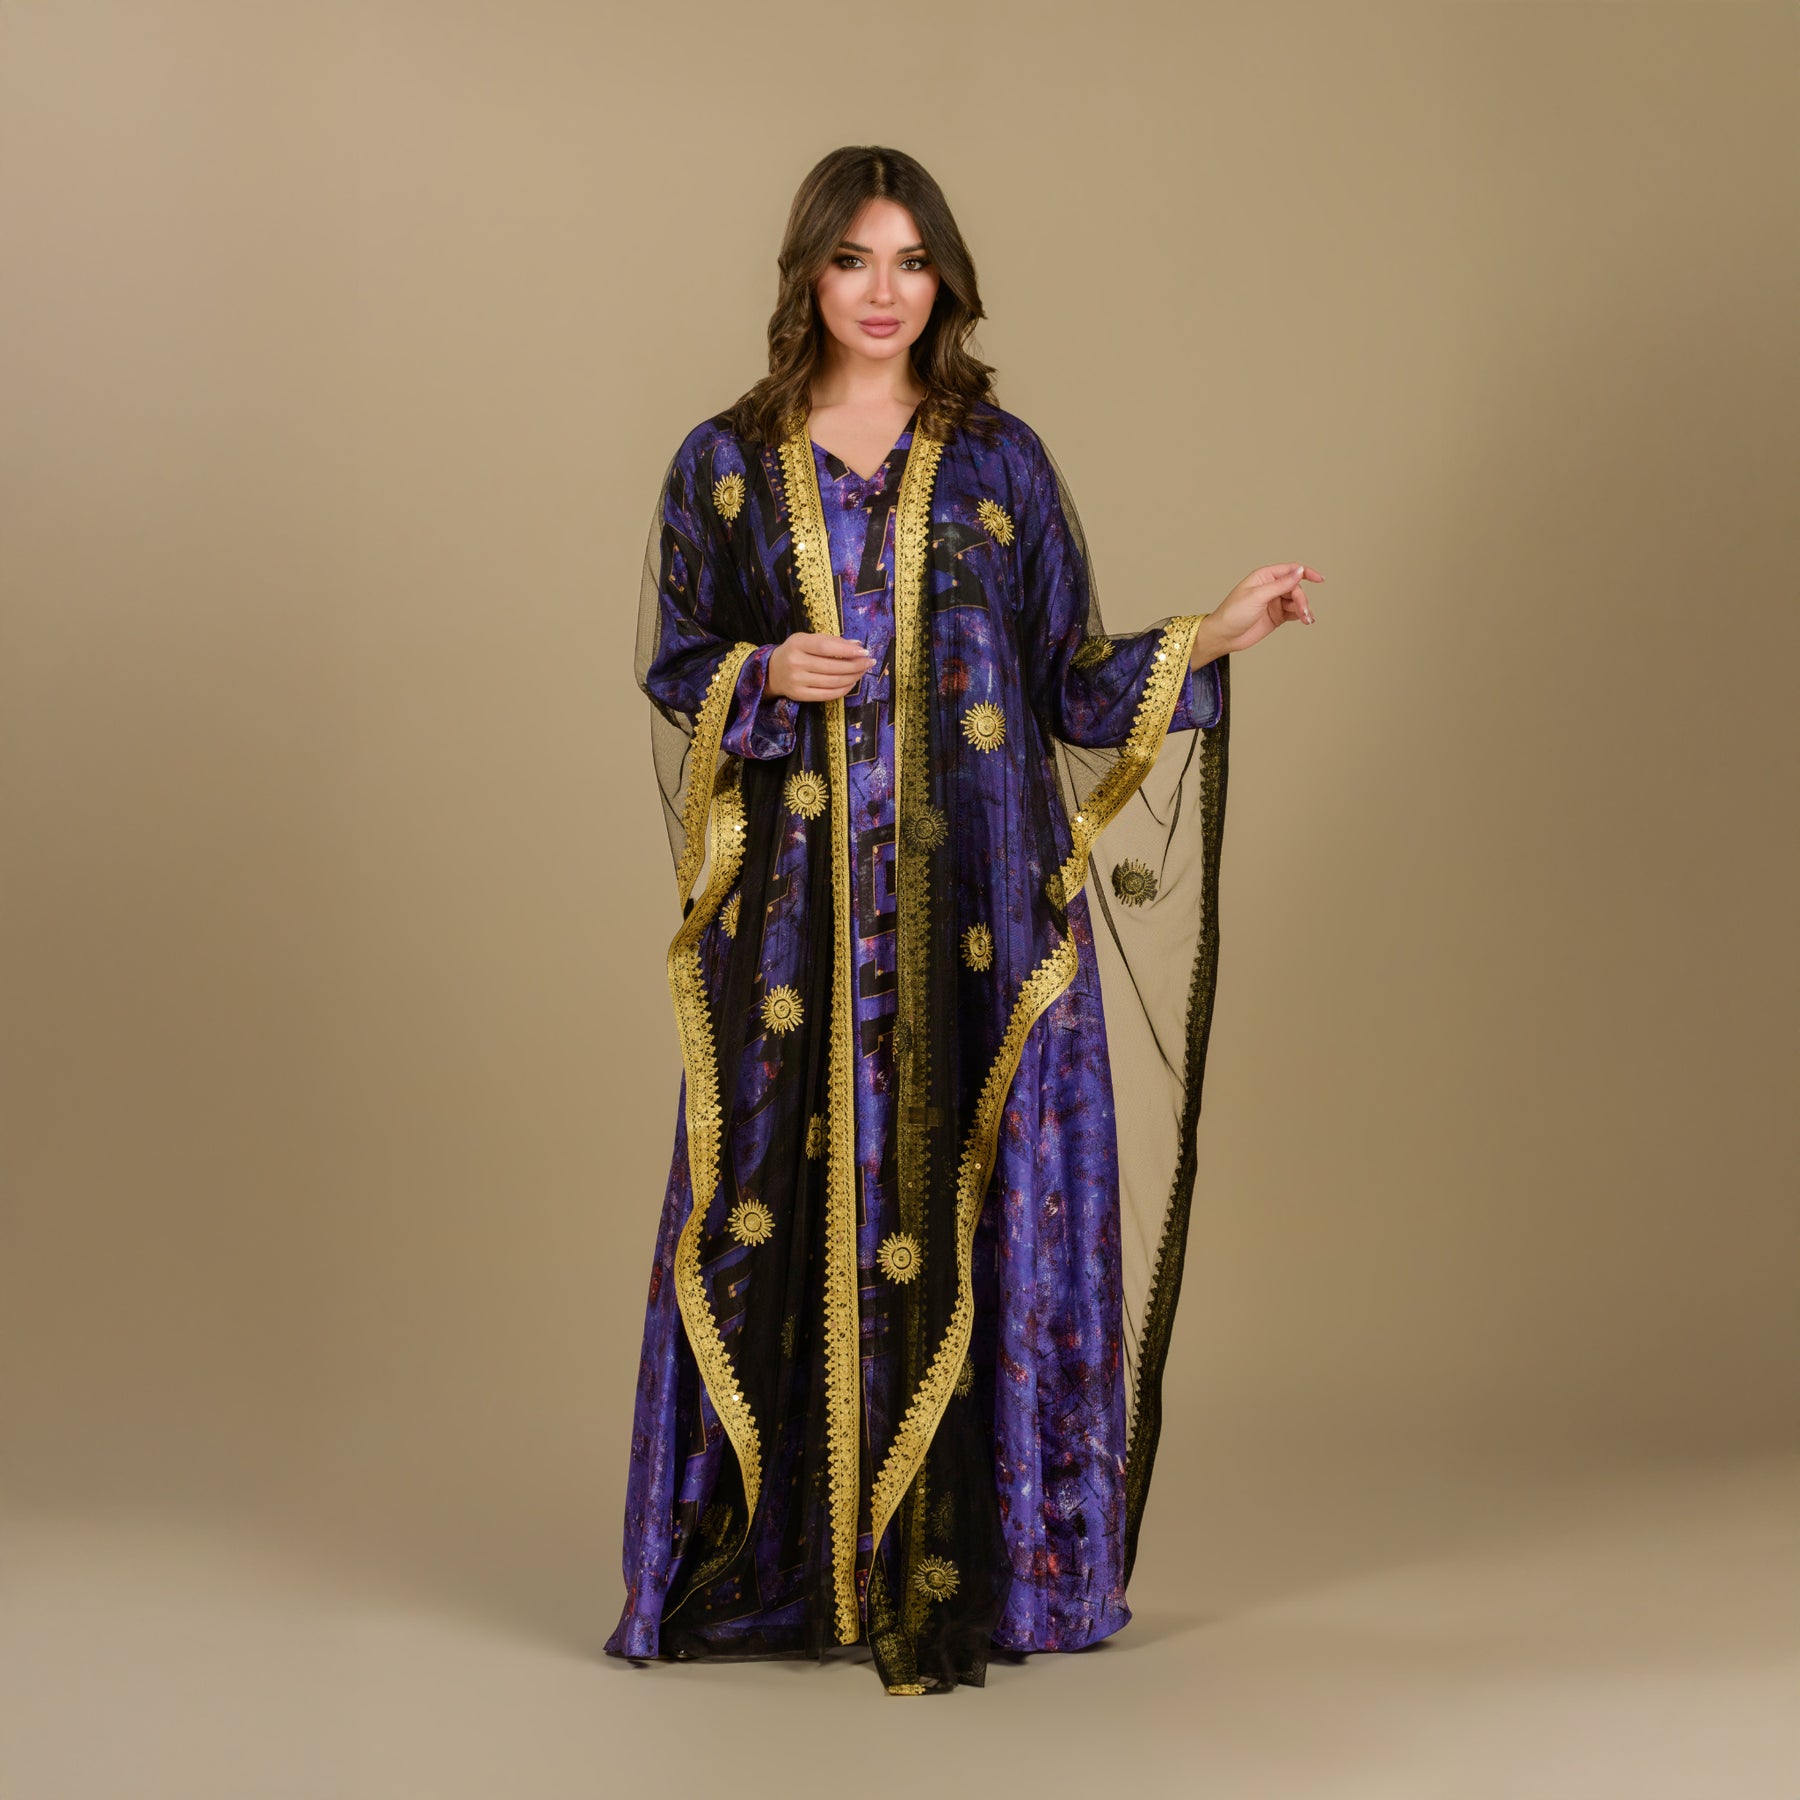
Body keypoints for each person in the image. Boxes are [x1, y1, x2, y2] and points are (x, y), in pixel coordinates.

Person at [605, 143, 1323, 1696]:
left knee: (984, 1202)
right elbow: (677, 662)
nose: (884, 291)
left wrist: (1215, 633)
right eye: (853, 259)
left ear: (945, 279)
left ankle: (997, 1570)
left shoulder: (1000, 464)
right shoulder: (724, 466)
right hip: (798, 937)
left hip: (978, 920)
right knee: (774, 1209)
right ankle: (784, 1571)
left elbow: (1067, 679)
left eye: (912, 261)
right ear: (808, 272)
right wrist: (761, 674)